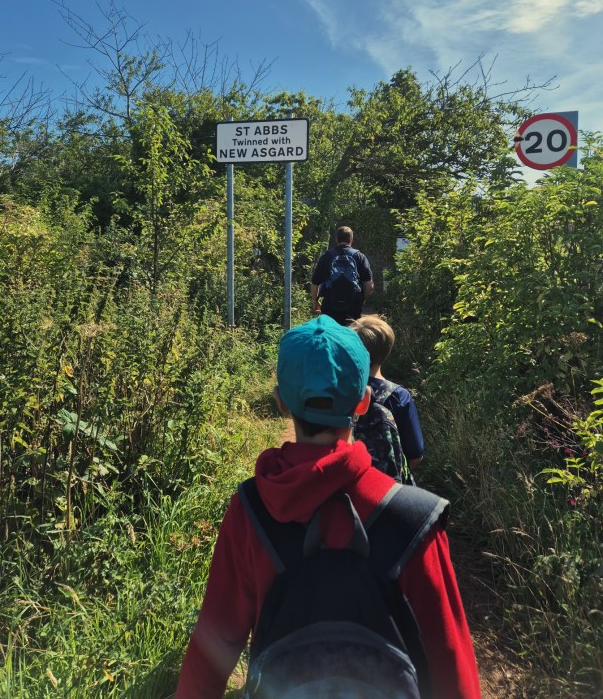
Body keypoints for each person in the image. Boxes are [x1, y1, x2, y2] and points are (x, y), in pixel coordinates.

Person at [174, 315, 481, 699]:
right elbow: (451, 661)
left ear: (281, 403)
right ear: (364, 401)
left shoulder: (251, 511)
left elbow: (211, 650)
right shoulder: (415, 519)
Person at [351, 313, 425, 475]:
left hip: (347, 482)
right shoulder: (399, 396)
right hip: (387, 489)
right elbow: (415, 455)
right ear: (387, 350)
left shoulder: (342, 389)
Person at [310, 225, 374, 324]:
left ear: (336, 239)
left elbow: (315, 283)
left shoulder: (327, 256)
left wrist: (315, 301)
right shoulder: (360, 257)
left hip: (330, 307)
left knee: (330, 336)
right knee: (350, 336)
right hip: (352, 308)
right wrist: (361, 300)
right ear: (351, 239)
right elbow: (369, 286)